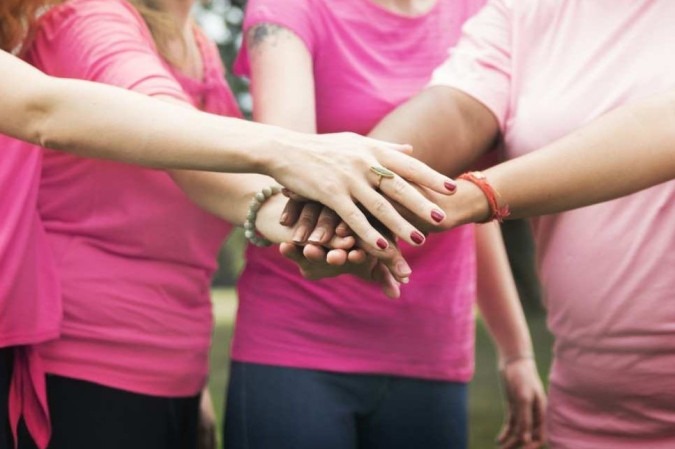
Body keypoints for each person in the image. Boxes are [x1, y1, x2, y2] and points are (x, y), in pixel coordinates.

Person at [295, 1, 675, 447]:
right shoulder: (522, 12)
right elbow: (456, 109)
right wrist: (350, 196)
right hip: (593, 408)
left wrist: (475, 196)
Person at [225, 1, 545, 448]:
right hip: (297, 339)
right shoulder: (291, 8)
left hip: (430, 346)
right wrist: (325, 238)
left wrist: (516, 351)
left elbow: (462, 202)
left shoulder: (475, 13)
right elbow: (289, 159)